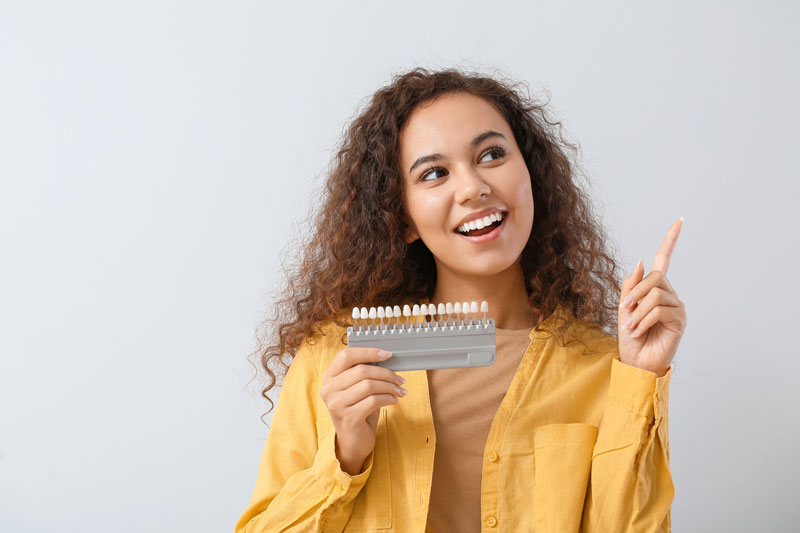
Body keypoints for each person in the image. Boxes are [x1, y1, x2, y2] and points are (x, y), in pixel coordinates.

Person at [235, 67, 687, 532]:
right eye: (434, 173)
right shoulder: (337, 358)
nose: (472, 188)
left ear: (531, 174)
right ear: (403, 217)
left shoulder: (605, 370)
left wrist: (642, 376)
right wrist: (345, 457)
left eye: (492, 154)